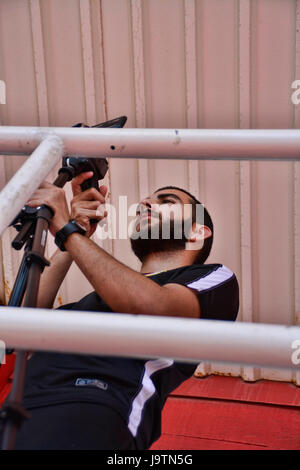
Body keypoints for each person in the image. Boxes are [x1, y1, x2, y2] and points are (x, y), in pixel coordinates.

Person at [0, 172, 239, 450]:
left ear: (198, 232)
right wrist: (75, 230)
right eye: (144, 203)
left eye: (167, 201)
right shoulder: (86, 307)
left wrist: (66, 229)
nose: (145, 203)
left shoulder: (211, 277)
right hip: (17, 414)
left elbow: (151, 306)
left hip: (91, 409)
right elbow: (19, 323)